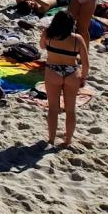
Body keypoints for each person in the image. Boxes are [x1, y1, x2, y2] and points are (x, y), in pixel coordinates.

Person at [40, 10, 89, 150]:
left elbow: (42, 46)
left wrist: (45, 33)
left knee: (53, 109)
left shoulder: (48, 34)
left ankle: (51, 139)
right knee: (70, 109)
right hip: (71, 73)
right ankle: (67, 140)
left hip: (53, 71)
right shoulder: (77, 39)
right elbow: (86, 63)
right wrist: (83, 77)